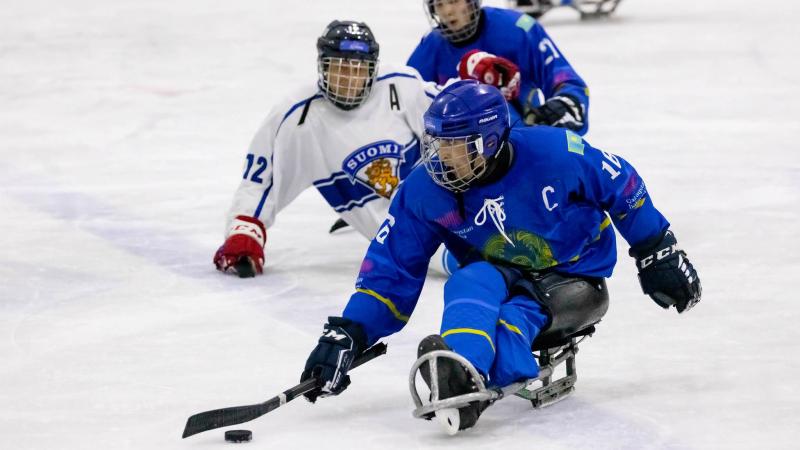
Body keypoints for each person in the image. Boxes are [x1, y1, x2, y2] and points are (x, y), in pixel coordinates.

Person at [300, 80, 701, 432]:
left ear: (490, 141)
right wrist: (350, 331)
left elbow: (620, 179)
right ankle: (457, 369)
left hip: (574, 275)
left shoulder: (554, 152)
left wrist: (656, 249)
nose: (443, 157)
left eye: (456, 146)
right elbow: (392, 266)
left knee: (514, 316)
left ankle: (481, 381)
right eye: (438, 144)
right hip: (497, 266)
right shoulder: (424, 191)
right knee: (466, 280)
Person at [214, 20, 448, 277]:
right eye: (339, 68)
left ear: (373, 69)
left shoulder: (401, 85)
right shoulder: (297, 117)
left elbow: (455, 124)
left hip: (449, 201)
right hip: (403, 236)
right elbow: (261, 181)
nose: (349, 78)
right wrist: (244, 231)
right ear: (322, 66)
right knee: (477, 261)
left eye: (359, 68)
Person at [407, 0, 591, 135]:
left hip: (527, 139)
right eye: (439, 5)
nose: (447, 11)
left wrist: (563, 105)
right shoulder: (429, 48)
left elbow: (566, 80)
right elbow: (409, 103)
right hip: (463, 158)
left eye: (453, 1)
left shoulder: (518, 28)